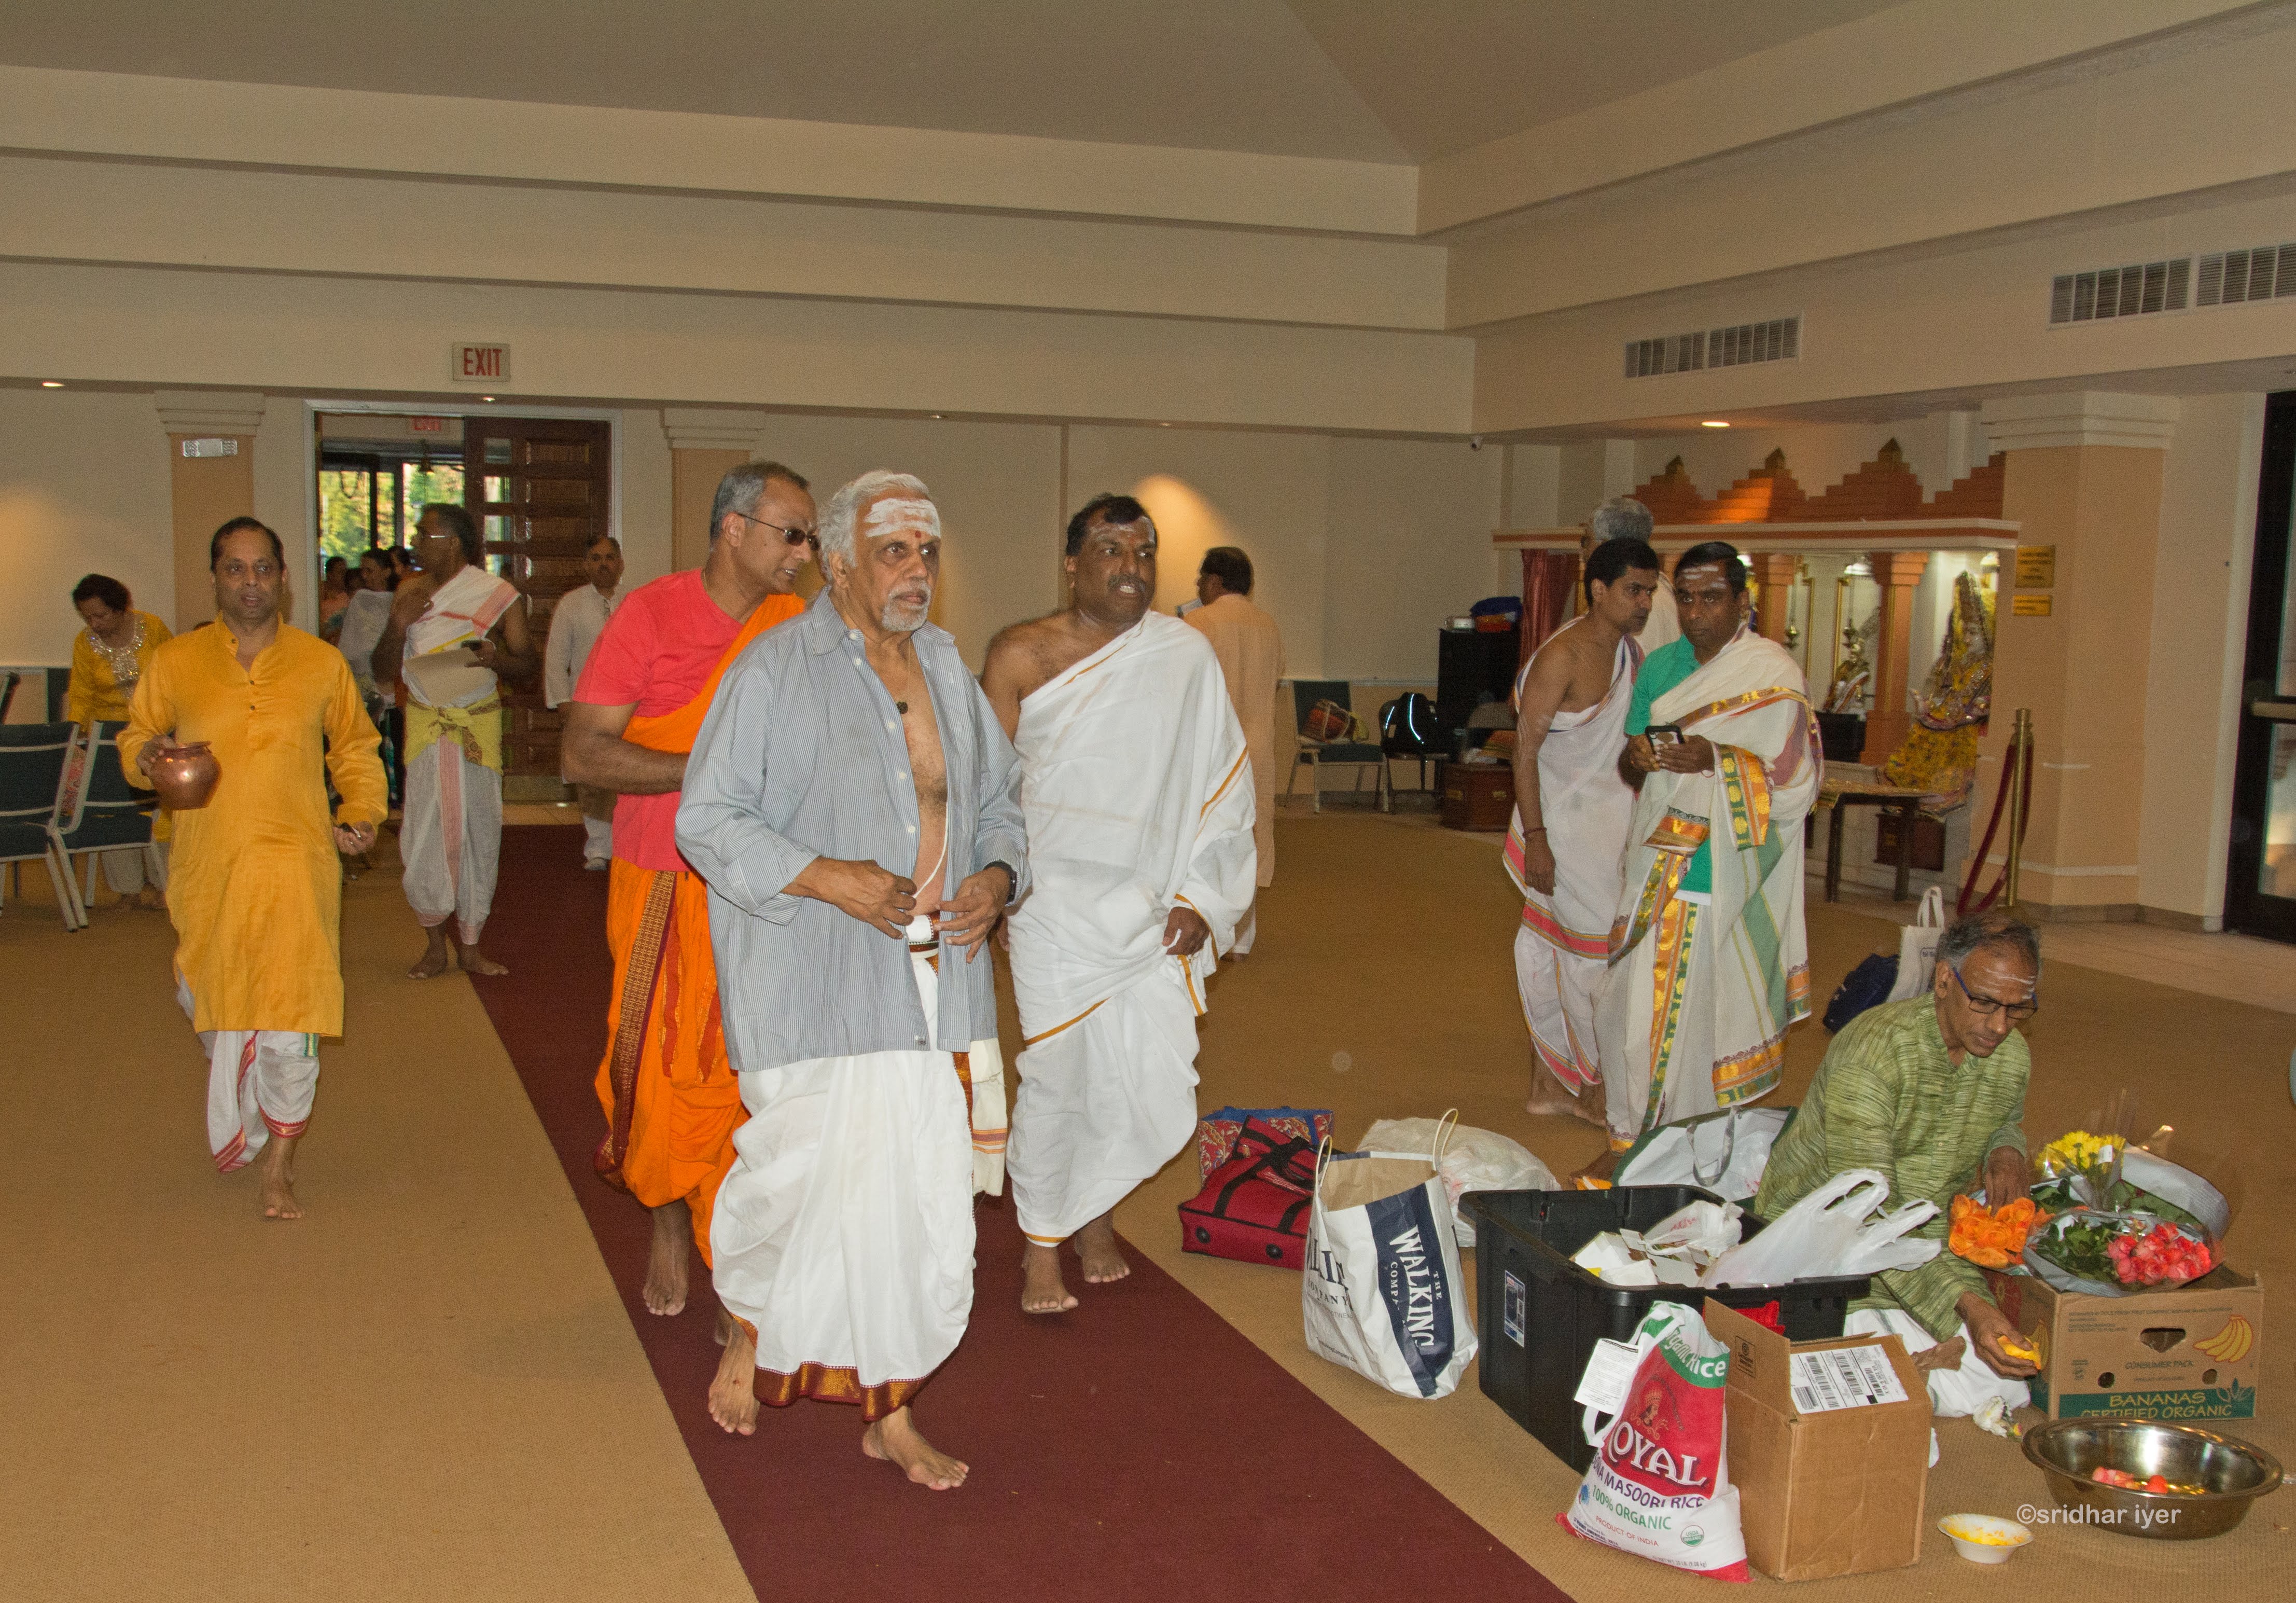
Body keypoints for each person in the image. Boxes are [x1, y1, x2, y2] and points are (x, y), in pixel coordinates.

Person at [679, 471, 1025, 1489]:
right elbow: (707, 819)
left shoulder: (948, 670)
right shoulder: (773, 671)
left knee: (916, 1209)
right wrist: (825, 876)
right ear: (836, 565)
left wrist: (997, 877)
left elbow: (1001, 804)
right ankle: (752, 1327)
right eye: (892, 552)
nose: (916, 571)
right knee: (798, 1188)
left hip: (935, 984)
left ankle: (892, 1411)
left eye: (927, 552)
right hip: (816, 982)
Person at [983, 494, 1257, 1316]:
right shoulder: (1020, 653)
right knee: (1058, 1075)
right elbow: (985, 789)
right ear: (1072, 563)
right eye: (1110, 549)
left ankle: (1095, 1215)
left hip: (1147, 908)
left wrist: (1202, 896)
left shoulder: (1182, 654)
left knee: (1130, 1077)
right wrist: (995, 890)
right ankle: (1041, 1242)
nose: (1130, 567)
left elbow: (1223, 786)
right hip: (1050, 905)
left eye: (1143, 552)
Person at [561, 466, 811, 1319]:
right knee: (660, 1065)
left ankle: (736, 1258)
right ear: (734, 528)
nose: (804, 552)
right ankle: (669, 1219)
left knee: (752, 1068)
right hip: (665, 876)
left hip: (767, 879)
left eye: (809, 537)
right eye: (791, 533)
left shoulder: (796, 625)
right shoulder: (650, 615)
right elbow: (583, 753)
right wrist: (712, 773)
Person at [118, 518, 386, 1218]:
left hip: (298, 866)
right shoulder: (176, 661)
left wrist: (362, 810)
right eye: (234, 569)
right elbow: (137, 735)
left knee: (292, 1022)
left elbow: (355, 748)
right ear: (215, 577)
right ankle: (248, 1117)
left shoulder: (319, 663)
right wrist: (145, 755)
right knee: (212, 1007)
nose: (250, 582)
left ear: (284, 578)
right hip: (210, 870)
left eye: (263, 568)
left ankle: (279, 1169)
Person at [1754, 911, 2041, 1417]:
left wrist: (2006, 1149)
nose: (1999, 1025)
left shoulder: (2010, 1055)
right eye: (1984, 1002)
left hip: (1929, 1235)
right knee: (1883, 1385)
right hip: (1827, 1239)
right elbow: (1867, 1208)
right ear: (1943, 980)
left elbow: (2006, 1119)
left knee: (2006, 1385)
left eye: (2017, 1008)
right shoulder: (1873, 1052)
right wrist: (1968, 1305)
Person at [1592, 541, 1819, 1160]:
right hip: (1657, 863)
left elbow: (1797, 783)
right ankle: (1634, 1139)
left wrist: (1715, 758)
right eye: (1686, 599)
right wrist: (1637, 755)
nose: (1695, 613)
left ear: (1742, 602)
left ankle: (1681, 1149)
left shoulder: (1772, 674)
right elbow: (1632, 763)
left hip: (1728, 877)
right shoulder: (1659, 666)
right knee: (1632, 1012)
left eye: (1711, 598)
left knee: (1702, 1023)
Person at [1506, 535, 1661, 1125]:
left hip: (1609, 827)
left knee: (1562, 951)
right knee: (1592, 959)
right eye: (1633, 590)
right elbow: (1523, 751)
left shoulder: (1630, 655)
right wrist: (1536, 839)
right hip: (1561, 830)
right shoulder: (1562, 656)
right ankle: (1595, 1085)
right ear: (1598, 590)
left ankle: (1547, 1084)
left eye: (1649, 591)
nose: (1644, 603)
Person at [372, 504, 534, 978]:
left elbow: (527, 664)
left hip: (476, 725)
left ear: (454, 543)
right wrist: (398, 624)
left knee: (478, 832)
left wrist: (494, 660)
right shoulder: (408, 592)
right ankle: (433, 946)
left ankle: (470, 946)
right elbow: (382, 669)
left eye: (425, 534)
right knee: (424, 834)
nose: (416, 542)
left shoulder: (498, 594)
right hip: (427, 724)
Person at [1184, 545, 1284, 956]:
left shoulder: (1197, 622)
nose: (1198, 586)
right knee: (1252, 834)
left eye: (1200, 579)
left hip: (1212, 746)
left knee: (1204, 834)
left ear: (1213, 581)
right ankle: (1242, 938)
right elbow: (1276, 677)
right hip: (1256, 749)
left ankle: (1205, 926)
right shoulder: (1268, 625)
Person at [65, 573, 174, 908]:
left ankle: (168, 885)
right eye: (87, 617)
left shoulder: (152, 628)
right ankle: (127, 888)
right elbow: (81, 696)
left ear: (120, 608)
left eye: (100, 615)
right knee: (114, 808)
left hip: (155, 731)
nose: (94, 624)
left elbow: (174, 675)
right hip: (107, 738)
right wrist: (75, 740)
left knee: (161, 808)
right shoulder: (84, 644)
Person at [545, 533, 626, 869]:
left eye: (609, 558)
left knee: (625, 773)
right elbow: (556, 657)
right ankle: (599, 849)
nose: (603, 564)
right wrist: (562, 701)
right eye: (595, 558)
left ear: (620, 564)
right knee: (592, 777)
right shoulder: (571, 604)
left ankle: (624, 846)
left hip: (629, 703)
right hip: (586, 702)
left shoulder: (634, 601)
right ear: (585, 566)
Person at [1577, 498, 1678, 651]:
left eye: (1586, 541)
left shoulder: (1641, 607)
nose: (1583, 551)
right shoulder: (1642, 594)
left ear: (1605, 546)